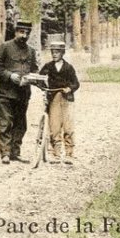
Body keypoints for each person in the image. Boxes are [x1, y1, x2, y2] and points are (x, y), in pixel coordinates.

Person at [0, 21, 38, 164]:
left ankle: (15, 153)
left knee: (20, 125)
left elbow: (34, 69)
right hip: (6, 93)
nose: (24, 35)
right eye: (22, 32)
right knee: (6, 123)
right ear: (16, 32)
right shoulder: (5, 47)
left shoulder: (31, 51)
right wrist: (10, 76)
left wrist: (30, 78)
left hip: (23, 94)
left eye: (27, 33)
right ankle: (5, 153)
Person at [38, 36, 79, 164]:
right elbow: (40, 78)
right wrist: (43, 86)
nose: (54, 54)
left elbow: (76, 83)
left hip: (66, 99)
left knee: (68, 126)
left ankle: (69, 153)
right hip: (53, 98)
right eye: (53, 52)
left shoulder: (68, 67)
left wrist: (69, 88)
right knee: (54, 126)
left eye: (57, 52)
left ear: (62, 53)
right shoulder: (48, 66)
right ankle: (55, 153)